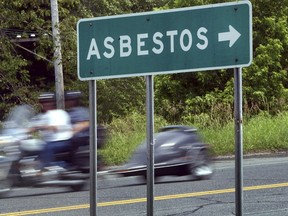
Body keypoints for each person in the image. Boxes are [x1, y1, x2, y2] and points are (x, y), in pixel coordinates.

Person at [34, 92, 73, 170]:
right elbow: (33, 125)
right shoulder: (43, 116)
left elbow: (58, 127)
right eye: (43, 102)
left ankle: (42, 171)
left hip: (62, 141)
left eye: (48, 101)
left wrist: (45, 127)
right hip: (51, 142)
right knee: (34, 148)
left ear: (53, 102)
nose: (46, 104)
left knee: (47, 147)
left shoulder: (61, 113)